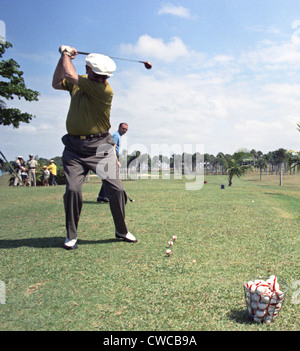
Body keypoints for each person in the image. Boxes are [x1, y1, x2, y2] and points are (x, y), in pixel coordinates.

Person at [52, 44, 137, 250]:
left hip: (100, 147)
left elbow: (70, 75)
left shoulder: (104, 90)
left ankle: (121, 230)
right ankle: (71, 235)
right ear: (88, 69)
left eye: (105, 77)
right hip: (74, 148)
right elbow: (56, 83)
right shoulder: (78, 81)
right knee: (72, 189)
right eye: (97, 75)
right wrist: (62, 60)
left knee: (116, 190)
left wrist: (65, 55)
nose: (101, 80)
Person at [97, 122, 128, 203]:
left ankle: (102, 196)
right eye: (123, 128)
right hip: (110, 158)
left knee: (108, 178)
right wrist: (116, 161)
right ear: (119, 128)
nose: (124, 130)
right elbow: (111, 148)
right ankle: (103, 196)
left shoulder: (118, 136)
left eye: (126, 129)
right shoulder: (116, 136)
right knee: (110, 178)